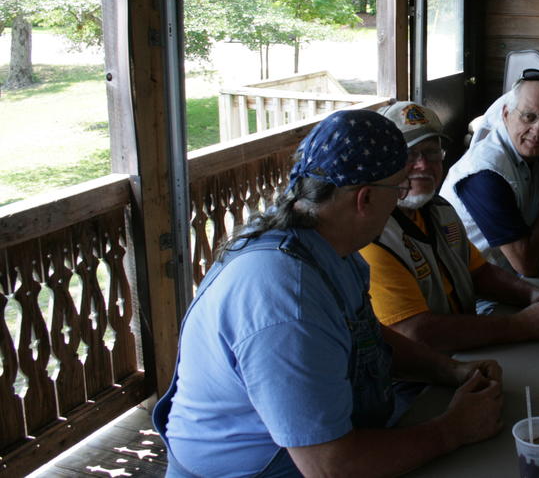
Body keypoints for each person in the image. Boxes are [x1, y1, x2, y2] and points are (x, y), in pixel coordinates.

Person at [153, 110, 503, 478]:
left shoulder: (324, 241)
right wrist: (453, 429)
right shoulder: (287, 299)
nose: (401, 199)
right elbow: (331, 467)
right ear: (365, 198)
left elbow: (365, 335)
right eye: (398, 189)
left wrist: (451, 370)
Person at [359, 101, 539, 351]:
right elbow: (414, 333)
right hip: (423, 371)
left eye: (432, 152)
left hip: (465, 354)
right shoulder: (373, 236)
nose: (423, 165)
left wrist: (534, 296)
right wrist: (522, 324)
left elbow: (479, 272)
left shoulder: (440, 210)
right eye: (408, 155)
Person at [440, 72, 539, 277]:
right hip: (466, 286)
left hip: (505, 277)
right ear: (506, 115)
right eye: (528, 117)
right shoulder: (485, 173)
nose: (538, 130)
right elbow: (527, 265)